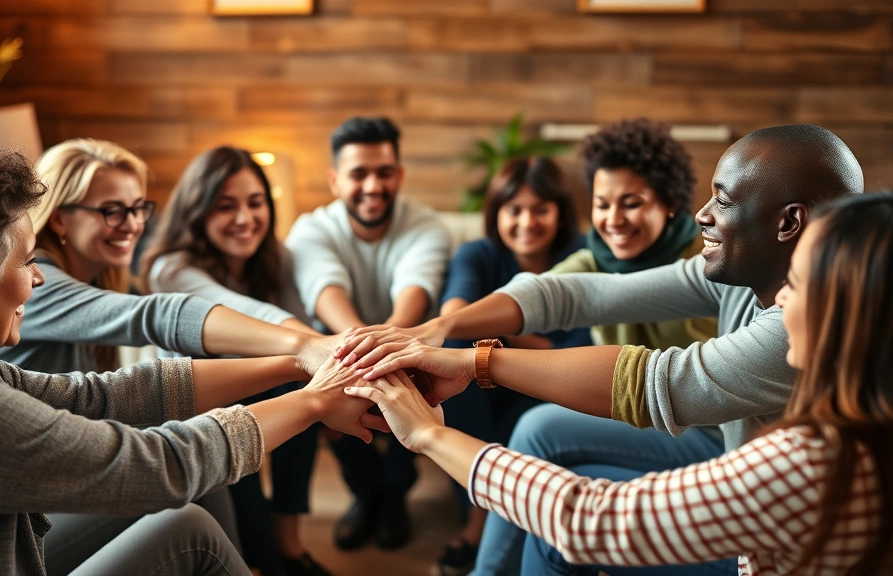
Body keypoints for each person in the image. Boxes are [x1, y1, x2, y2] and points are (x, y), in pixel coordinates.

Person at [335, 124, 864, 574]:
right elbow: (579, 292)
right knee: (538, 435)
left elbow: (658, 383)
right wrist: (437, 329)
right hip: (739, 475)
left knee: (558, 528)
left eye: (722, 201)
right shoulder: (742, 276)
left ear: (789, 223)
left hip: (760, 545)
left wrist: (467, 374)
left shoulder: (809, 326)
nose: (705, 214)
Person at [0, 132, 384, 575]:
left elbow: (99, 397)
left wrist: (298, 366)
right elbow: (160, 464)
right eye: (27, 262)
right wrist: (313, 397)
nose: (37, 278)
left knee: (193, 518)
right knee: (193, 525)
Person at [0, 137, 336, 574]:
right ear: (59, 218)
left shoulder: (86, 282)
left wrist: (307, 364)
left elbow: (105, 395)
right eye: (113, 210)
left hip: (53, 483)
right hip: (26, 512)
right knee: (192, 468)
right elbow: (155, 314)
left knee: (196, 452)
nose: (132, 224)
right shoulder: (37, 288)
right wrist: (306, 350)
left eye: (138, 209)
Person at [471, 119, 719, 576]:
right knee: (537, 440)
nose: (613, 220)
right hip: (637, 419)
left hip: (703, 432)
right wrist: (434, 328)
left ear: (668, 205)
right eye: (602, 204)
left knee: (537, 431)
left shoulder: (704, 264)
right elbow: (534, 292)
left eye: (632, 203)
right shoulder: (595, 258)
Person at [142, 146, 329, 576]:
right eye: (226, 206)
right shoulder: (169, 268)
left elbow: (300, 317)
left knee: (304, 389)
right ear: (198, 210)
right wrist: (319, 345)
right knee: (251, 535)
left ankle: (289, 540)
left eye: (255, 203)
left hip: (263, 390)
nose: (245, 218)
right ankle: (267, 556)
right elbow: (242, 313)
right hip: (200, 409)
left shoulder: (274, 258)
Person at [285, 117, 452, 550]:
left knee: (421, 359)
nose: (373, 185)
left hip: (407, 345)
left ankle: (394, 494)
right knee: (325, 361)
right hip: (343, 346)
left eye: (384, 172)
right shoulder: (310, 228)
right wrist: (363, 352)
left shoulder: (428, 226)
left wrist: (389, 350)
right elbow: (325, 291)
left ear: (399, 175)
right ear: (335, 180)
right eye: (359, 173)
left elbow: (414, 293)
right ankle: (366, 494)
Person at [433, 156, 593, 576]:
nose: (527, 221)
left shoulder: (585, 257)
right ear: (496, 213)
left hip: (553, 384)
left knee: (529, 412)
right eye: (514, 209)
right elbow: (455, 310)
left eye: (540, 209)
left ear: (560, 212)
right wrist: (479, 331)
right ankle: (483, 519)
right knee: (452, 346)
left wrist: (504, 330)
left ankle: (479, 527)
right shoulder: (479, 254)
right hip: (480, 385)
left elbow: (577, 354)